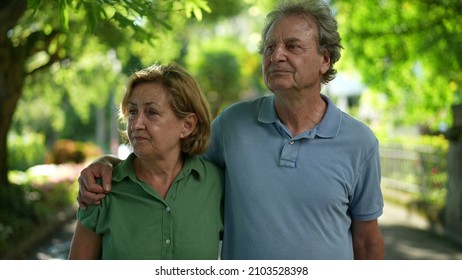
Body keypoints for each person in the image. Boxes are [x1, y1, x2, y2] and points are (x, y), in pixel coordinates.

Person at [77, 0, 384, 260]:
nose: (276, 55)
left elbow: (367, 241)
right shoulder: (233, 125)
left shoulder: (359, 143)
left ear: (324, 59)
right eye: (269, 47)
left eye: (292, 46)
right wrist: (107, 164)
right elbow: (168, 162)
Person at [68, 63, 224, 260]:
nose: (137, 124)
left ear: (187, 125)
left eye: (151, 113)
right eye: (133, 112)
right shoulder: (100, 190)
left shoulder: (217, 184)